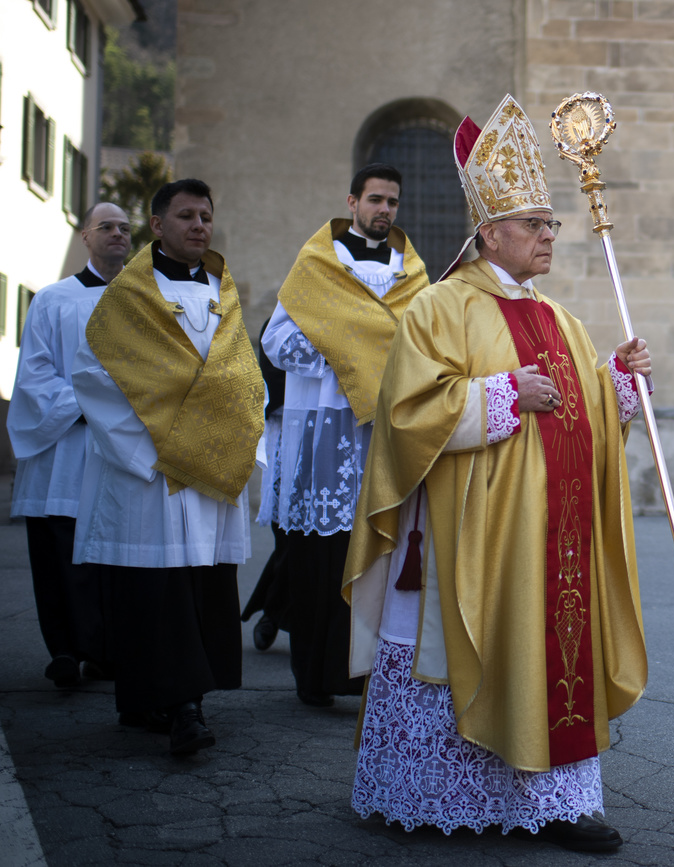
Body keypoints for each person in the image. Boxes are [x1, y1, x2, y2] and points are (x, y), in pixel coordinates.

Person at [344, 94, 650, 853]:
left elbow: (587, 413)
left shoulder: (562, 318)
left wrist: (617, 380)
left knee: (555, 654)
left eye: (551, 223)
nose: (549, 236)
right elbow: (409, 408)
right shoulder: (440, 308)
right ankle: (425, 792)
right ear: (489, 232)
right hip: (469, 533)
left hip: (555, 537)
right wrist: (506, 393)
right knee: (470, 648)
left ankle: (558, 802)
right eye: (534, 225)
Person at [70, 179, 264, 754]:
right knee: (156, 591)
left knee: (199, 586)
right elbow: (95, 377)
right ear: (157, 225)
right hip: (155, 470)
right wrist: (155, 449)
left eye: (206, 215)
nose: (198, 225)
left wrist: (234, 432)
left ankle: (172, 697)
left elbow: (243, 378)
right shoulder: (128, 298)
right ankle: (178, 705)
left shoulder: (220, 291)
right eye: (185, 215)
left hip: (207, 466)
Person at [261, 164, 430, 707]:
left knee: (379, 552)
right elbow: (276, 340)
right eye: (375, 199)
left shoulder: (413, 273)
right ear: (352, 201)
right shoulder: (318, 265)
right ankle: (316, 675)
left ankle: (369, 673)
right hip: (325, 426)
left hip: (385, 430)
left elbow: (425, 341)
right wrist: (349, 348)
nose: (385, 210)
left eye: (393, 202)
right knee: (321, 557)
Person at [8, 202, 130, 689]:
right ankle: (63, 649)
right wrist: (88, 407)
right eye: (107, 227)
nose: (117, 234)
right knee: (59, 551)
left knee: (112, 554)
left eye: (125, 227)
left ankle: (105, 651)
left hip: (119, 450)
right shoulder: (53, 300)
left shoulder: (147, 300)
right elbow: (34, 373)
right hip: (65, 446)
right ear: (85, 236)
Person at [240, 318, 291, 651]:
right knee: (290, 536)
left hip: (349, 435)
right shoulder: (285, 313)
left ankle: (272, 612)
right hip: (291, 429)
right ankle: (272, 614)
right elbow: (271, 363)